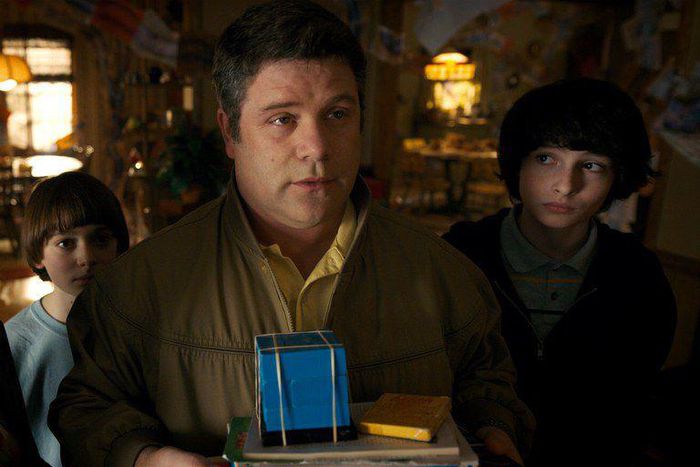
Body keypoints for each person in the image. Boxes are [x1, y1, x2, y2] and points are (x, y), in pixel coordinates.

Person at [49, 2, 534, 466]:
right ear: (230, 132)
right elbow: (87, 409)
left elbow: (488, 385)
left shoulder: (446, 273)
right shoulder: (138, 286)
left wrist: (496, 428)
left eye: (337, 114)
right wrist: (143, 457)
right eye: (283, 119)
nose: (316, 147)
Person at [443, 78, 677, 466]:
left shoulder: (637, 274)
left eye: (591, 165)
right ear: (517, 162)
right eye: (546, 159)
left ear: (616, 176)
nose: (566, 186)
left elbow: (635, 397)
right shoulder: (460, 255)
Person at [5, 172, 129, 467]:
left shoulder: (136, 328)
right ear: (38, 253)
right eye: (65, 243)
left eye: (100, 239)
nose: (86, 258)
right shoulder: (15, 343)